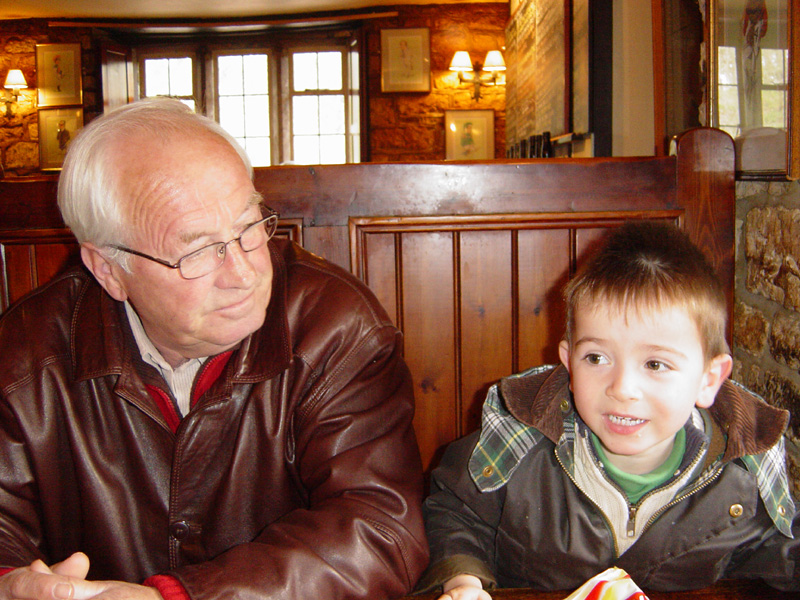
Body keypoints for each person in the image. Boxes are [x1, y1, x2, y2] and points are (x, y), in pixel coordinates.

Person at [0, 97, 429, 600]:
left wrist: (178, 597)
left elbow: (378, 528)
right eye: (199, 250)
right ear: (109, 269)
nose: (245, 273)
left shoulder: (335, 327)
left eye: (249, 227)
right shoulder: (24, 356)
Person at [417, 221, 799, 598]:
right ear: (568, 363)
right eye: (596, 357)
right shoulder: (518, 441)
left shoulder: (743, 477)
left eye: (655, 364)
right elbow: (456, 510)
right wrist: (463, 579)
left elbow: (778, 554)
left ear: (708, 379)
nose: (622, 389)